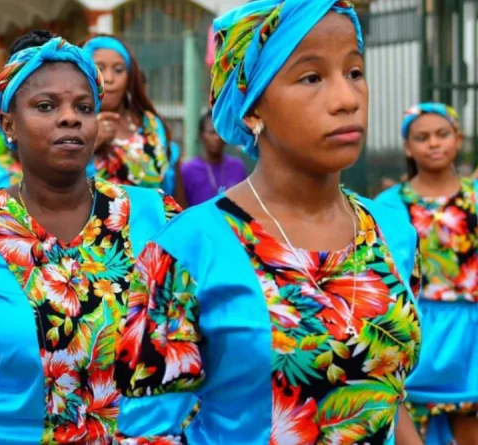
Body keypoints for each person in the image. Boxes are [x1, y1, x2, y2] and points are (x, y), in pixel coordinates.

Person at [114, 1, 424, 443]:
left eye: (354, 72)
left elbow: (390, 402)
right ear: (252, 108)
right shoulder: (188, 250)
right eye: (311, 77)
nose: (347, 99)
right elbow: (148, 428)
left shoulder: (393, 232)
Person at [0, 32, 181, 444]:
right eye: (46, 106)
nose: (70, 118)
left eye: (83, 107)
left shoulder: (155, 217)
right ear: (8, 123)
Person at [376, 103, 476, 445]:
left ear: (458, 139)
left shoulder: (475, 198)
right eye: (422, 137)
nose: (434, 143)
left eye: (442, 134)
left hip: (472, 338)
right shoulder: (388, 206)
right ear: (408, 146)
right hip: (421, 332)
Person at [83, 34, 185, 203]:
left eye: (118, 70)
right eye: (99, 68)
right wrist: (91, 143)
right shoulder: (72, 123)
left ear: (129, 77)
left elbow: (169, 186)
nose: (109, 78)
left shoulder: (150, 124)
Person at [181, 110, 248, 206]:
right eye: (211, 132)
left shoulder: (237, 167)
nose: (216, 137)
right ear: (201, 136)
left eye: (219, 132)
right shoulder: (187, 170)